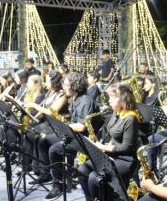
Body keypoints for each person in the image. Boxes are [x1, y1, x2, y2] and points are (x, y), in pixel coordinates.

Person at [77, 84, 140, 201]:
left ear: (124, 98)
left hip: (125, 160)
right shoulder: (116, 113)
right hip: (111, 155)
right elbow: (111, 134)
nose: (109, 100)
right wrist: (97, 142)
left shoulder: (131, 118)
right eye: (109, 97)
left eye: (113, 97)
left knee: (94, 177)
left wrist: (102, 147)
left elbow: (126, 147)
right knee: (82, 170)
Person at [43, 72, 96, 200]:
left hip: (84, 139)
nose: (64, 87)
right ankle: (58, 177)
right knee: (45, 141)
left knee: (54, 150)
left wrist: (63, 126)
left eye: (66, 85)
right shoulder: (75, 98)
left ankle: (58, 185)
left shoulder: (85, 101)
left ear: (75, 85)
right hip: (73, 135)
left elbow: (82, 127)